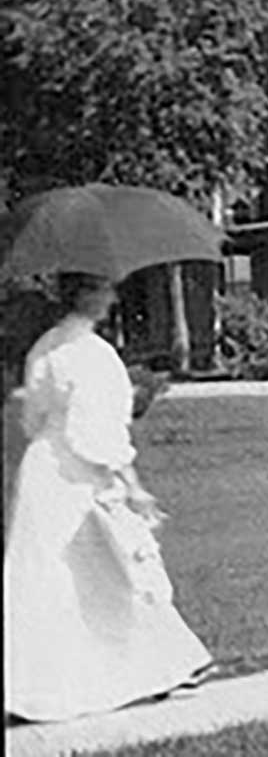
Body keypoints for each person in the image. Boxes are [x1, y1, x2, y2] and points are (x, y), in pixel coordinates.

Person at [3, 273, 212, 723]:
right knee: (118, 569)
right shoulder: (93, 355)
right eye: (104, 289)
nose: (113, 298)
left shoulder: (45, 347)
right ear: (85, 295)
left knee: (44, 576)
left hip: (43, 470)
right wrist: (131, 484)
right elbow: (94, 433)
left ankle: (36, 688)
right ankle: (160, 666)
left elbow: (34, 416)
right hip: (79, 476)